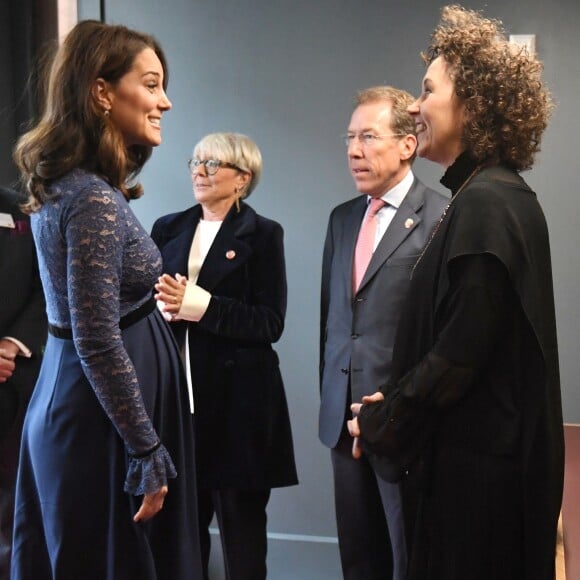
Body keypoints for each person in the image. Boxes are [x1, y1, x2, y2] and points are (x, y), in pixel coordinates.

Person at [349, 6, 564, 580]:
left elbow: (458, 356)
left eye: (428, 90)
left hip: (479, 494)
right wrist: (391, 399)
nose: (415, 106)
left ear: (472, 104)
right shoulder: (482, 196)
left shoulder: (488, 202)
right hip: (472, 473)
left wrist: (384, 418)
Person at [11, 20, 202, 579]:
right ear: (101, 92)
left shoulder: (81, 186)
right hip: (102, 423)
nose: (164, 101)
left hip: (92, 409)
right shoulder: (91, 198)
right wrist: (144, 448)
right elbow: (95, 337)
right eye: (150, 84)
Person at [151, 132, 298, 580]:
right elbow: (147, 301)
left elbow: (269, 322)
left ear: (242, 178)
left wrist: (201, 306)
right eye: (196, 161)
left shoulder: (264, 234)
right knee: (177, 536)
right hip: (177, 407)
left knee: (242, 538)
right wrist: (160, 309)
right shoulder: (166, 228)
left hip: (238, 409)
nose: (199, 171)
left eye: (213, 164)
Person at [318, 86, 448, 580]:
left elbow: (441, 332)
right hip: (340, 418)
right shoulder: (342, 218)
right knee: (358, 558)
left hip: (401, 422)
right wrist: (334, 393)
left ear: (407, 144)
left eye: (369, 137)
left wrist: (404, 409)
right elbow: (334, 320)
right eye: (350, 138)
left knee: (407, 558)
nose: (354, 150)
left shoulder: (441, 217)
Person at [0, 186, 46, 579]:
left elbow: (46, 285)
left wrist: (10, 345)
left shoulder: (23, 208)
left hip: (16, 380)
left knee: (15, 507)